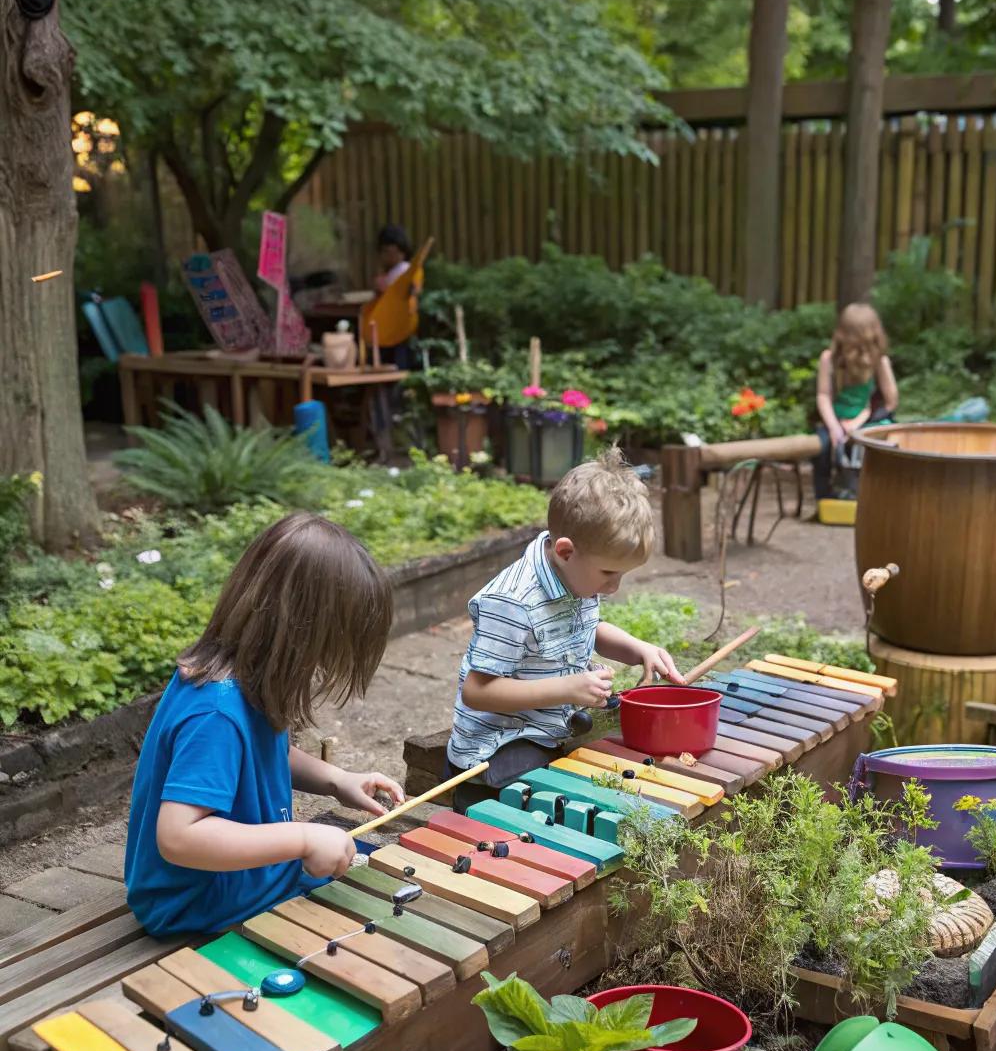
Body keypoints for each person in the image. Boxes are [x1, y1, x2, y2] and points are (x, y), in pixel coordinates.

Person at [125, 513, 404, 937]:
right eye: (327, 649)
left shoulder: (238, 680)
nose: (322, 667)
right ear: (297, 632)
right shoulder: (216, 712)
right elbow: (179, 837)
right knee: (377, 920)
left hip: (225, 877)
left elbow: (262, 753)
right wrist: (305, 839)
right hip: (195, 899)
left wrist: (337, 780)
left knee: (362, 868)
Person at [446, 449, 687, 796]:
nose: (614, 587)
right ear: (565, 551)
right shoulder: (512, 603)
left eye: (622, 574)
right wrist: (567, 689)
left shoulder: (576, 573)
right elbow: (477, 692)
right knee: (570, 802)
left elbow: (589, 629)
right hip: (497, 752)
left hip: (549, 728)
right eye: (608, 573)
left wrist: (638, 648)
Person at [813, 302, 899, 502]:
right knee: (822, 447)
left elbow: (890, 402)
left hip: (868, 418)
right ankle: (824, 498)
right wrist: (835, 426)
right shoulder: (829, 359)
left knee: (883, 444)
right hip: (835, 419)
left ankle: (878, 496)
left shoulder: (880, 361)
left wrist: (857, 425)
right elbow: (823, 395)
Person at [369, 223, 419, 372]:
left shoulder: (403, 270)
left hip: (398, 331)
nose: (385, 257)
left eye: (389, 252)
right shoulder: (392, 271)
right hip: (388, 330)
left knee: (398, 368)